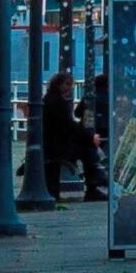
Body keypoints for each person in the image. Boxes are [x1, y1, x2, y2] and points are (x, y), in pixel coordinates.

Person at [44, 68, 106, 200]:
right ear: (59, 84)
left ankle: (94, 184)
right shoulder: (58, 102)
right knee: (88, 150)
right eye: (67, 84)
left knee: (87, 146)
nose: (70, 88)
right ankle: (92, 187)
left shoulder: (50, 99)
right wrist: (90, 137)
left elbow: (75, 117)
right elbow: (69, 124)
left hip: (52, 142)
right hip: (56, 146)